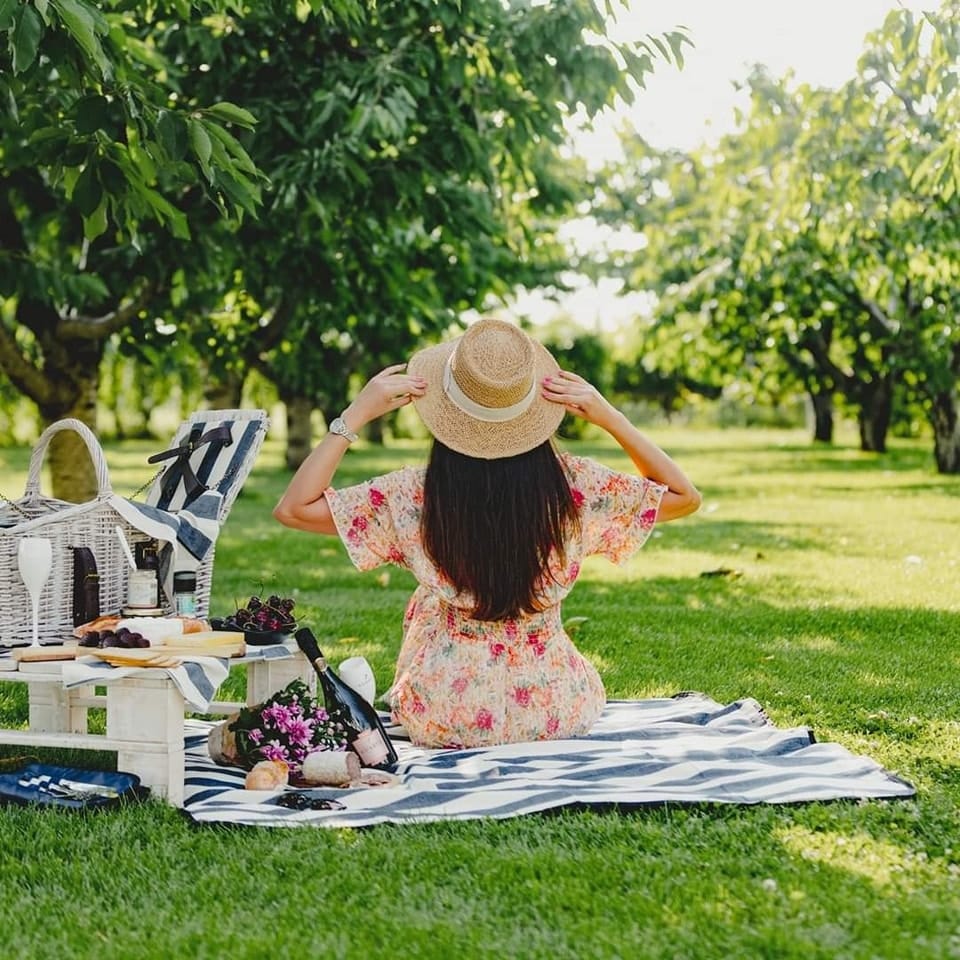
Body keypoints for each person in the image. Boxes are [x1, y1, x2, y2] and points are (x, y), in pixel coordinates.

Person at [273, 318, 700, 748]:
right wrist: (611, 417)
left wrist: (355, 415)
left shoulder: (414, 495)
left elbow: (294, 508)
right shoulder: (574, 487)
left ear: (444, 412)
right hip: (556, 708)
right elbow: (684, 496)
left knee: (429, 599)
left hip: (446, 713)